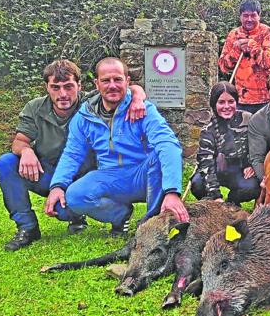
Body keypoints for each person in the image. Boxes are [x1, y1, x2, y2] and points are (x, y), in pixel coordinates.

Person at [0, 59, 147, 251]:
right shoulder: (35, 108)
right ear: (47, 87)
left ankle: (118, 214)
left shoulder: (93, 103)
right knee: (6, 163)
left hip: (86, 178)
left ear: (80, 85)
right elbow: (19, 140)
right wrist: (26, 150)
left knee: (64, 210)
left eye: (68, 86)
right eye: (55, 87)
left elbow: (125, 88)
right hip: (50, 173)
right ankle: (27, 227)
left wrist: (138, 97)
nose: (63, 94)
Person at [47, 57, 189, 237]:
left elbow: (168, 144)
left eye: (118, 79)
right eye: (106, 80)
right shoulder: (83, 117)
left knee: (159, 156)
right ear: (96, 83)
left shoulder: (143, 109)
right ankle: (119, 215)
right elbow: (72, 154)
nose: (112, 85)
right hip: (110, 176)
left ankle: (153, 223)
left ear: (128, 82)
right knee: (74, 196)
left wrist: (172, 191)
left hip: (143, 174)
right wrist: (57, 185)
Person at [190, 81, 260, 205]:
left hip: (240, 170)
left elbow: (259, 145)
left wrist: (251, 165)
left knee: (252, 187)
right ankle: (214, 205)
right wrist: (215, 195)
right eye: (221, 102)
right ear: (214, 104)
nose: (227, 106)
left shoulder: (249, 119)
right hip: (216, 169)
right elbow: (206, 165)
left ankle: (232, 202)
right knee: (197, 184)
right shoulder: (208, 131)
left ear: (236, 102)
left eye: (231, 101)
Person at [218, 0, 270, 114]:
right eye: (245, 15)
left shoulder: (266, 32)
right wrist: (236, 49)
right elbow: (223, 66)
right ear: (240, 16)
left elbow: (267, 62)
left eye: (253, 15)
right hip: (240, 99)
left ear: (259, 16)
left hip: (264, 98)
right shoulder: (234, 34)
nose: (249, 19)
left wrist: (251, 44)